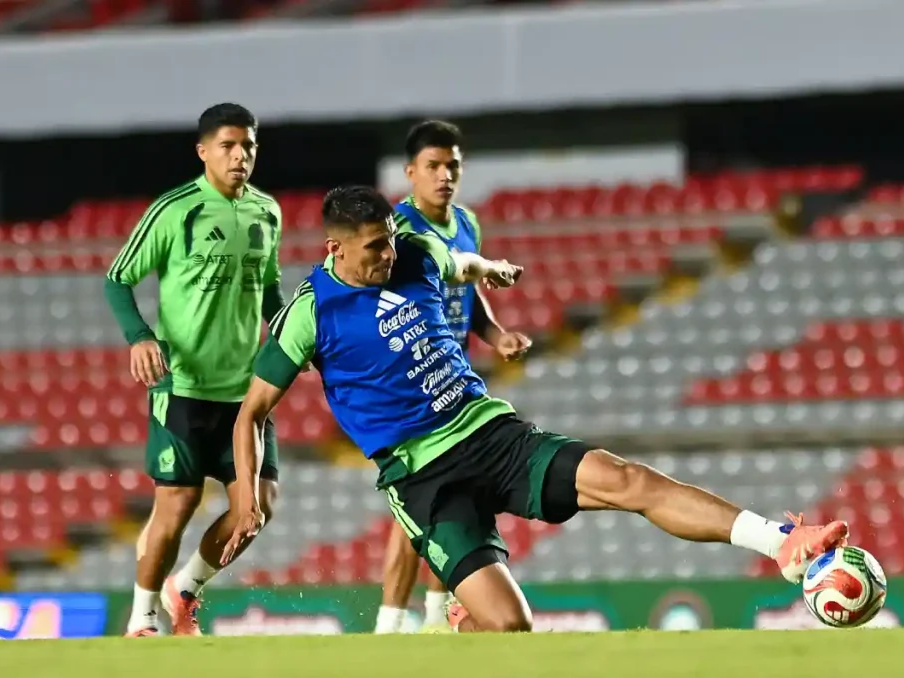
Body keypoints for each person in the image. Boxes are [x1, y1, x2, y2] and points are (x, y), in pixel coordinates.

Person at [224, 185, 849, 633]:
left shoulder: (414, 251)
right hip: (422, 477)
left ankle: (784, 542)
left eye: (387, 242)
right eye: (370, 250)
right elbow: (250, 412)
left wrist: (485, 268)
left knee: (626, 479)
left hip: (487, 429)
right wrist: (247, 497)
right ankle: (457, 632)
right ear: (335, 248)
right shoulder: (310, 314)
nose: (385, 256)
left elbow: (454, 262)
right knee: (509, 629)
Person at [103, 103, 285, 637]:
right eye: (228, 146)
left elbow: (269, 290)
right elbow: (117, 279)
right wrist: (139, 337)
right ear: (203, 151)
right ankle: (142, 619)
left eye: (249, 146)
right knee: (178, 504)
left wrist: (288, 332)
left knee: (260, 507)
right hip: (182, 388)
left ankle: (183, 591)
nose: (240, 156)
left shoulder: (267, 213)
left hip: (245, 395)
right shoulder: (174, 210)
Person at [375, 120, 532, 634]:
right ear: (410, 173)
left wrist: (497, 334)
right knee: (420, 505)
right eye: (433, 167)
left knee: (460, 496)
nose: (445, 176)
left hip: (455, 381)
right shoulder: (394, 230)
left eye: (453, 166)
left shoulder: (466, 222)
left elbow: (466, 292)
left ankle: (437, 614)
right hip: (413, 383)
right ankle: (391, 625)